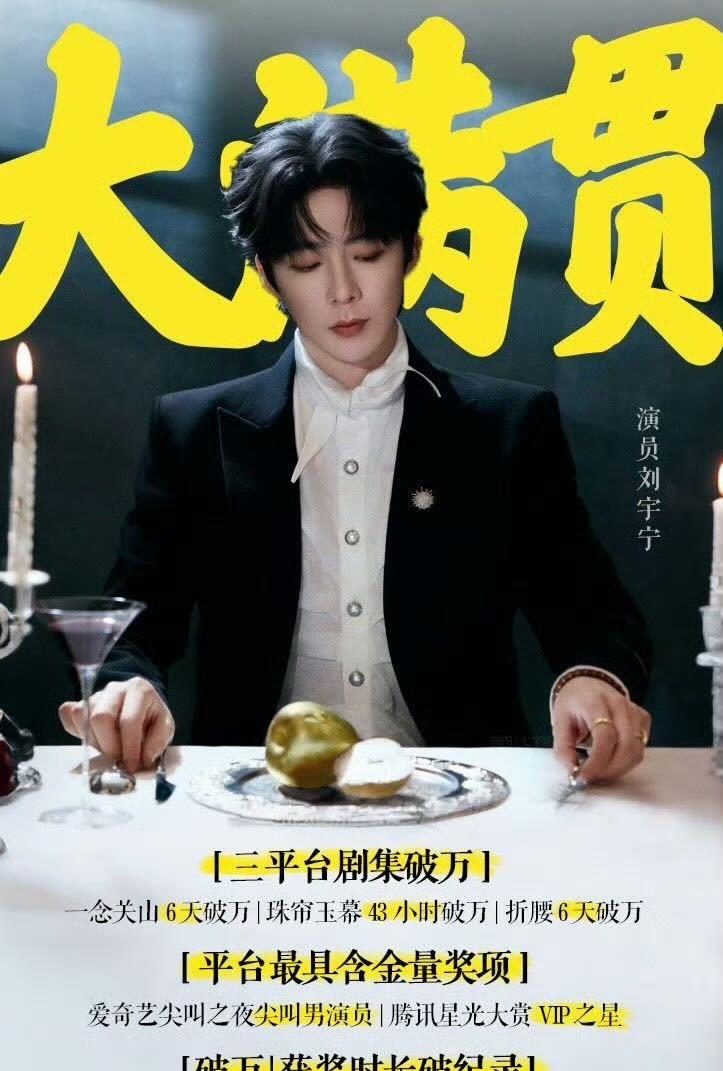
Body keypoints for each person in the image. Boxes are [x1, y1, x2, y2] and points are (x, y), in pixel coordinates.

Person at [59, 113, 652, 782]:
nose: (342, 291)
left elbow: (590, 610)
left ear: (411, 251)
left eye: (367, 253)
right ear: (267, 276)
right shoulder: (194, 429)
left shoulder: (506, 425)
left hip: (464, 790)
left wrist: (591, 679)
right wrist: (130, 687)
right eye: (307, 263)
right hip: (253, 793)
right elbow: (135, 624)